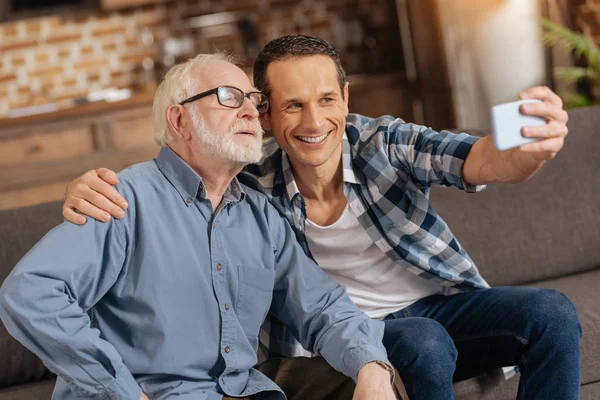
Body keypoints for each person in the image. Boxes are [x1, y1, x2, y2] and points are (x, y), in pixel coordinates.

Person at [62, 35, 582, 400]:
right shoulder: (246, 184)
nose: (315, 122)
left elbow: (481, 159)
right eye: (292, 106)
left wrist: (530, 150)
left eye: (327, 100)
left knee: (553, 313)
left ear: (346, 99)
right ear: (263, 113)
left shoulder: (384, 142)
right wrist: (91, 189)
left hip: (439, 309)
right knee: (422, 342)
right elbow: (173, 182)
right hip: (343, 339)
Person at [0, 52, 399, 400]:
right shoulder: (121, 199)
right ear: (180, 119)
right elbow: (30, 292)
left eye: (253, 100)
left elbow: (322, 307)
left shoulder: (259, 216)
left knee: (380, 375)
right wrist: (122, 392)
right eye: (229, 98)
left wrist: (371, 367)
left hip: (239, 391)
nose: (250, 112)